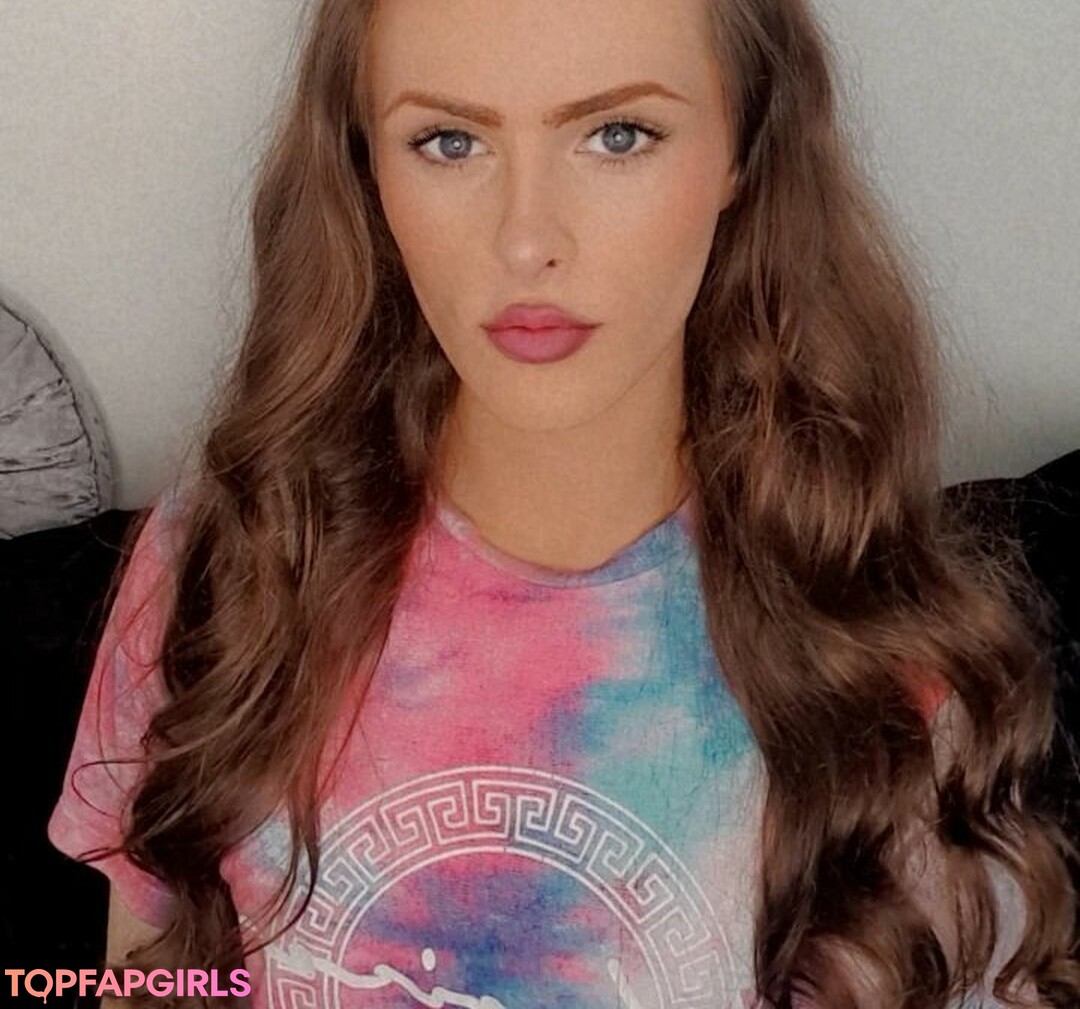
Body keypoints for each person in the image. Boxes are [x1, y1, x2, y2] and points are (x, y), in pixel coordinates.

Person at [48, 0, 1079, 1006]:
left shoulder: (881, 654)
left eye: (618, 134)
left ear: (745, 150)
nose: (526, 240)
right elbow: (154, 974)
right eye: (449, 141)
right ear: (366, 168)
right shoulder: (234, 560)